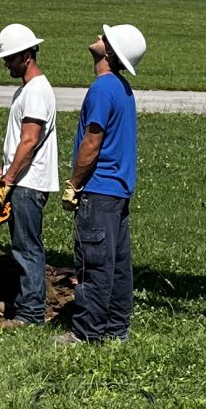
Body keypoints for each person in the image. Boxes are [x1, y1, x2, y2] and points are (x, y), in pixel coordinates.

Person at [66, 20, 143, 343]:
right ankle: (116, 330)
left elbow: (92, 142)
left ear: (109, 52)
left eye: (105, 37)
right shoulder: (123, 90)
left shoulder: (101, 89)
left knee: (94, 264)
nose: (98, 37)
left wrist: (74, 183)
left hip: (98, 190)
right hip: (118, 191)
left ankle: (87, 333)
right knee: (117, 265)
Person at [0, 20, 57, 325]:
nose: (6, 64)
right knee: (21, 245)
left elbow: (29, 140)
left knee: (27, 247)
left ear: (26, 56)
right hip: (22, 180)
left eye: (10, 58)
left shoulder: (37, 92)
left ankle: (31, 313)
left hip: (29, 183)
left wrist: (8, 179)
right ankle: (23, 302)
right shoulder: (27, 89)